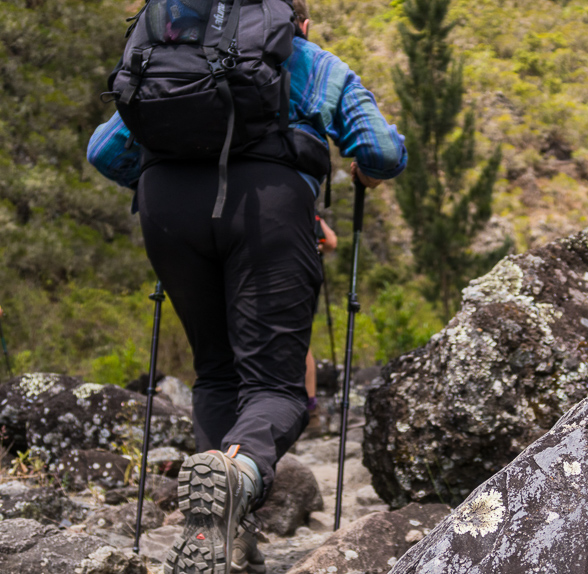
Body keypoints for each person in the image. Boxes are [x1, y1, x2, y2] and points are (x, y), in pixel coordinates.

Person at [87, 0, 406, 571]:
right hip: (267, 208)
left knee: (216, 371)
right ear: (294, 22)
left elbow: (104, 150)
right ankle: (239, 470)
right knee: (277, 389)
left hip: (166, 206)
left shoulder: (171, 50)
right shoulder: (308, 59)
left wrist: (172, 180)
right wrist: (367, 172)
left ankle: (220, 534)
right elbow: (380, 150)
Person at [305, 214, 337, 430]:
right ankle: (311, 408)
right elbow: (330, 242)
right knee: (301, 342)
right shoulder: (311, 214)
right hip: (306, 282)